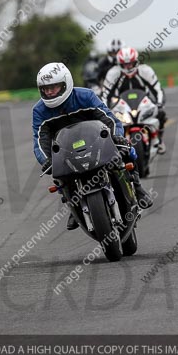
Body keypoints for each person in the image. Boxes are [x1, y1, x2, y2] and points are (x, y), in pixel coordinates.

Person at [32, 62, 153, 230]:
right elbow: (39, 139)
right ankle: (72, 206)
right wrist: (46, 160)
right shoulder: (39, 110)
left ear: (66, 83)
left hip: (97, 142)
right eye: (45, 89)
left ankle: (138, 189)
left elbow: (109, 119)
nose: (49, 92)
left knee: (126, 150)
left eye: (54, 87)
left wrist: (117, 137)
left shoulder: (86, 96)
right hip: (66, 150)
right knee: (58, 173)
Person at [101, 47, 167, 154]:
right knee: (109, 124)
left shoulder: (146, 70)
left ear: (136, 61)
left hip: (144, 103)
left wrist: (159, 103)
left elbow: (158, 89)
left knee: (161, 113)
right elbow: (105, 94)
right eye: (125, 64)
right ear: (119, 64)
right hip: (121, 106)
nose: (128, 66)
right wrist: (104, 109)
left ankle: (158, 140)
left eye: (131, 63)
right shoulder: (113, 73)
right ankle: (116, 148)